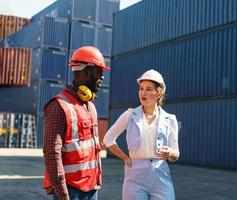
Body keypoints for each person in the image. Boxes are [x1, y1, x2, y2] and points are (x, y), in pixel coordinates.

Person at [43, 46, 110, 200]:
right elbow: (52, 154)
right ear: (85, 72)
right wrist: (63, 194)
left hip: (92, 188)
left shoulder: (90, 106)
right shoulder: (59, 106)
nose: (102, 77)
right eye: (99, 72)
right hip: (70, 190)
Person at [103, 69, 180, 200]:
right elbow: (108, 139)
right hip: (135, 175)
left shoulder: (170, 119)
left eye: (149, 89)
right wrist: (125, 158)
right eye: (141, 88)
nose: (143, 93)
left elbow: (176, 154)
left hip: (160, 175)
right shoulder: (129, 115)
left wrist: (170, 154)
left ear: (159, 93)